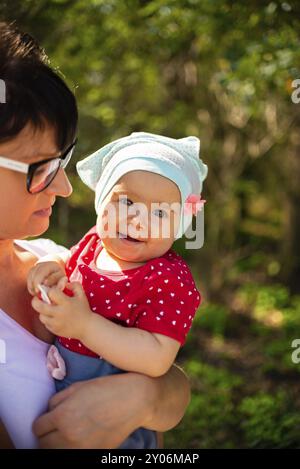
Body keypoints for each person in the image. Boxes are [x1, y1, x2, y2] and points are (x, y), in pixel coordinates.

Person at [0, 22, 191, 449]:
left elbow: (174, 383)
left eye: (61, 163)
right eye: (41, 169)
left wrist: (145, 397)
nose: (65, 188)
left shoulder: (58, 260)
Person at [27, 132, 208, 448]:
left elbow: (156, 359)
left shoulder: (168, 279)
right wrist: (54, 263)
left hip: (114, 428)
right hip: (62, 395)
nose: (138, 221)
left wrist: (85, 326)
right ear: (102, 201)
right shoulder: (96, 241)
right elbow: (71, 260)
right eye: (126, 202)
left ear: (181, 224)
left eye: (161, 212)